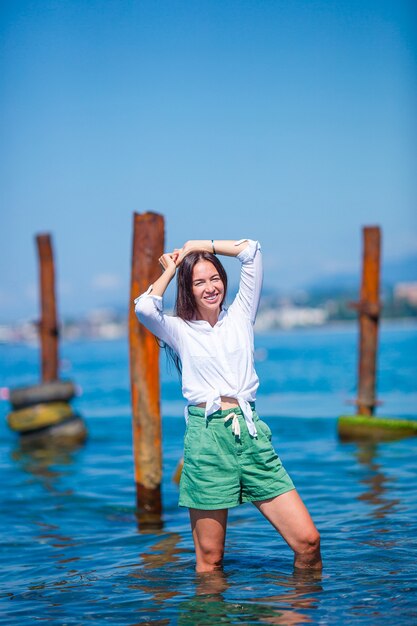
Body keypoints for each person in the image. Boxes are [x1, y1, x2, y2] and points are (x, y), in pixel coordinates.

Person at [134, 238, 322, 573]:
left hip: (251, 437)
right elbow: (145, 308)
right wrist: (174, 266)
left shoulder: (240, 315)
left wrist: (198, 244)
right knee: (211, 558)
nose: (210, 288)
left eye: (215, 278)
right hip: (207, 439)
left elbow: (251, 251)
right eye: (199, 282)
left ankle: (298, 613)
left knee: (308, 542)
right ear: (188, 289)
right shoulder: (177, 329)